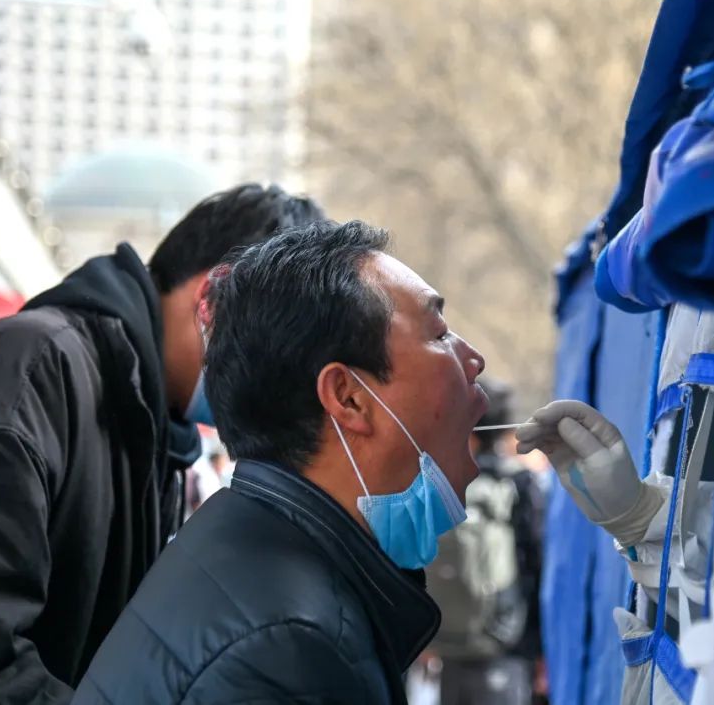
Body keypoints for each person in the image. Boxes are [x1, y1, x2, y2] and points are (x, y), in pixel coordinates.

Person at [0, 184, 324, 703]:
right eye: (280, 352)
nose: (282, 386)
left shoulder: (154, 430)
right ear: (213, 299)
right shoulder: (32, 376)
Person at [73, 220, 488, 704]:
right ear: (348, 397)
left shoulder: (245, 537)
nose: (474, 360)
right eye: (439, 334)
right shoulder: (293, 649)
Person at [424, 378, 545, 705]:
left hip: (451, 644)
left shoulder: (445, 482)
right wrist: (539, 650)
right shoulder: (517, 482)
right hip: (505, 644)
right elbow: (536, 564)